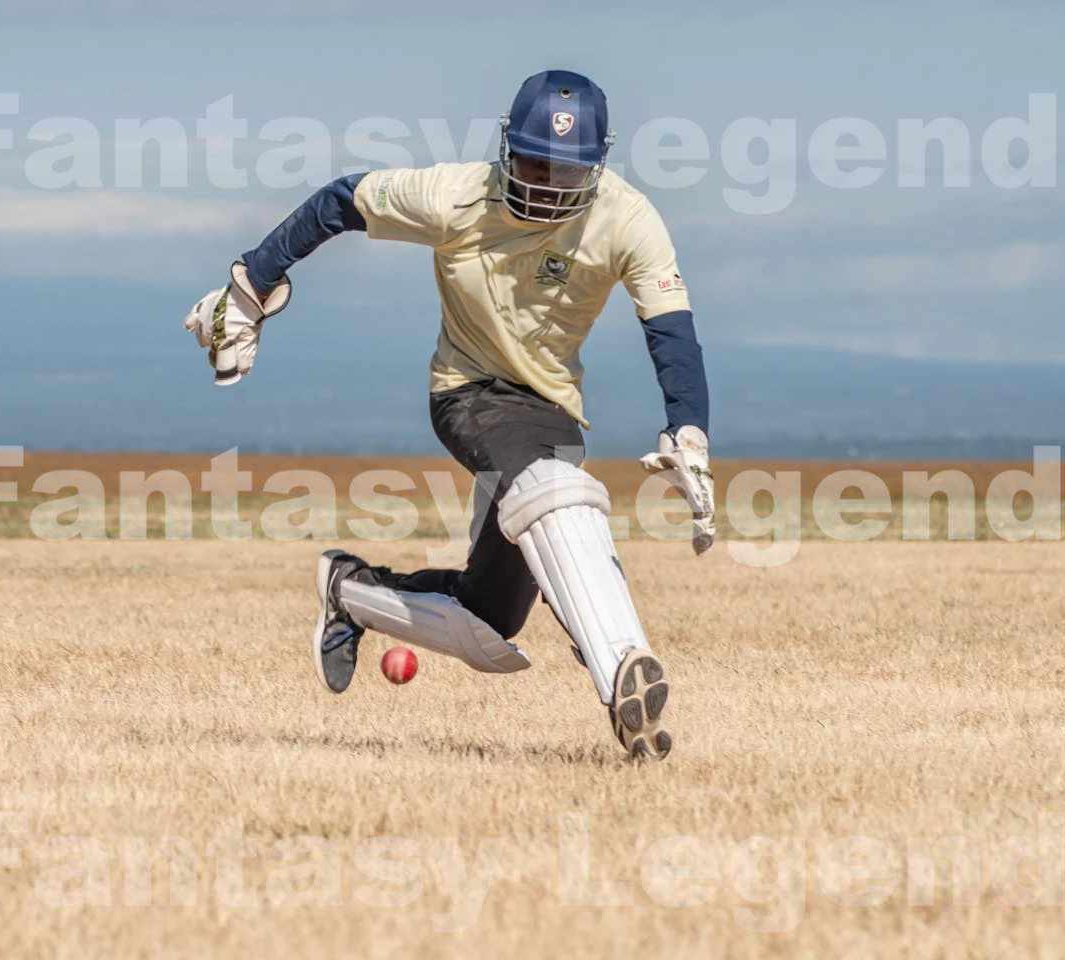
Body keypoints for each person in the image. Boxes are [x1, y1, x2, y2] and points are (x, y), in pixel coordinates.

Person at [184, 70, 715, 759]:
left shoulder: (628, 218)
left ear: (598, 168)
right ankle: (623, 677)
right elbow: (341, 201)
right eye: (533, 164)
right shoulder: (456, 196)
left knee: (489, 623)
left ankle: (351, 591)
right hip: (468, 393)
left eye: (567, 172)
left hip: (550, 409)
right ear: (505, 151)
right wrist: (252, 283)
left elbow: (670, 329)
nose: (548, 184)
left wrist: (690, 431)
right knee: (559, 494)